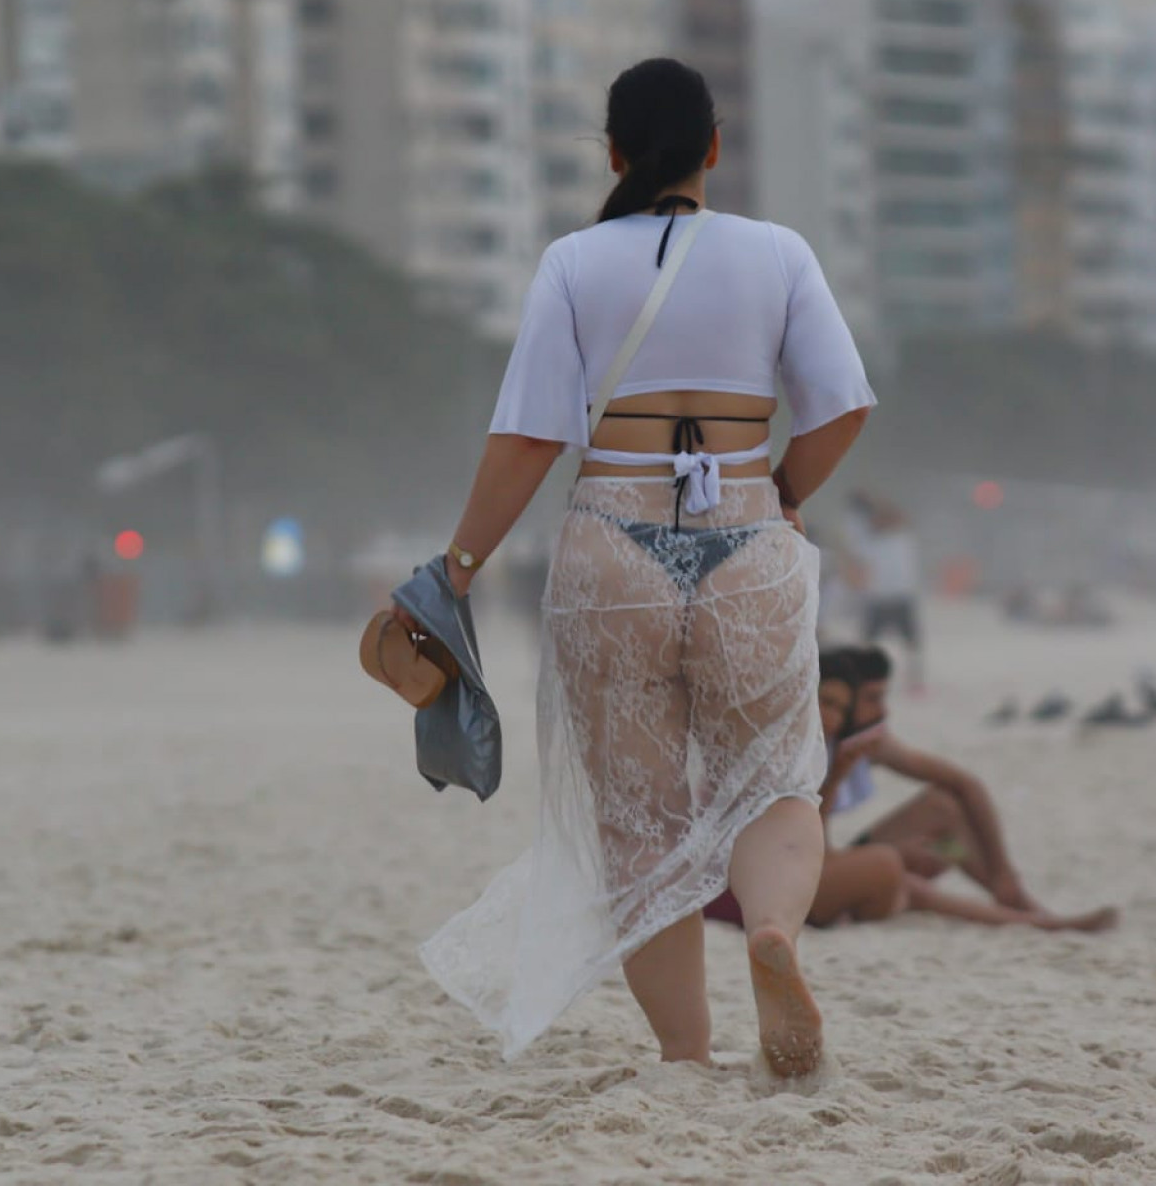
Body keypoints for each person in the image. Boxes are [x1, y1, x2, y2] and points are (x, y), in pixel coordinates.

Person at [415, 58, 876, 1079]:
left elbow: (528, 439)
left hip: (612, 540)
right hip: (748, 537)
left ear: (615, 155)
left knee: (641, 814)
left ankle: (687, 1053)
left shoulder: (575, 264)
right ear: (715, 148)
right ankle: (771, 934)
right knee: (776, 781)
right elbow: (843, 406)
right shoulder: (779, 255)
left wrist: (457, 566)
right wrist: (786, 492)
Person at [810, 651, 1117, 931]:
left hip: (831, 856)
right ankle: (1034, 920)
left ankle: (1011, 897)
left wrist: (1003, 871)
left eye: (842, 706)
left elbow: (965, 783)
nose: (882, 710)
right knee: (897, 869)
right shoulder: (809, 745)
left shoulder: (864, 741)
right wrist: (836, 777)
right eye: (871, 699)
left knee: (943, 821)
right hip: (814, 864)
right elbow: (808, 844)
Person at [848, 494, 924, 690]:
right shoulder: (868, 542)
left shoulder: (902, 537)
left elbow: (901, 516)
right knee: (867, 643)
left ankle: (915, 680)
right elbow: (857, 563)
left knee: (912, 643)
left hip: (901, 597)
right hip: (878, 598)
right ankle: (863, 678)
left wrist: (878, 505)